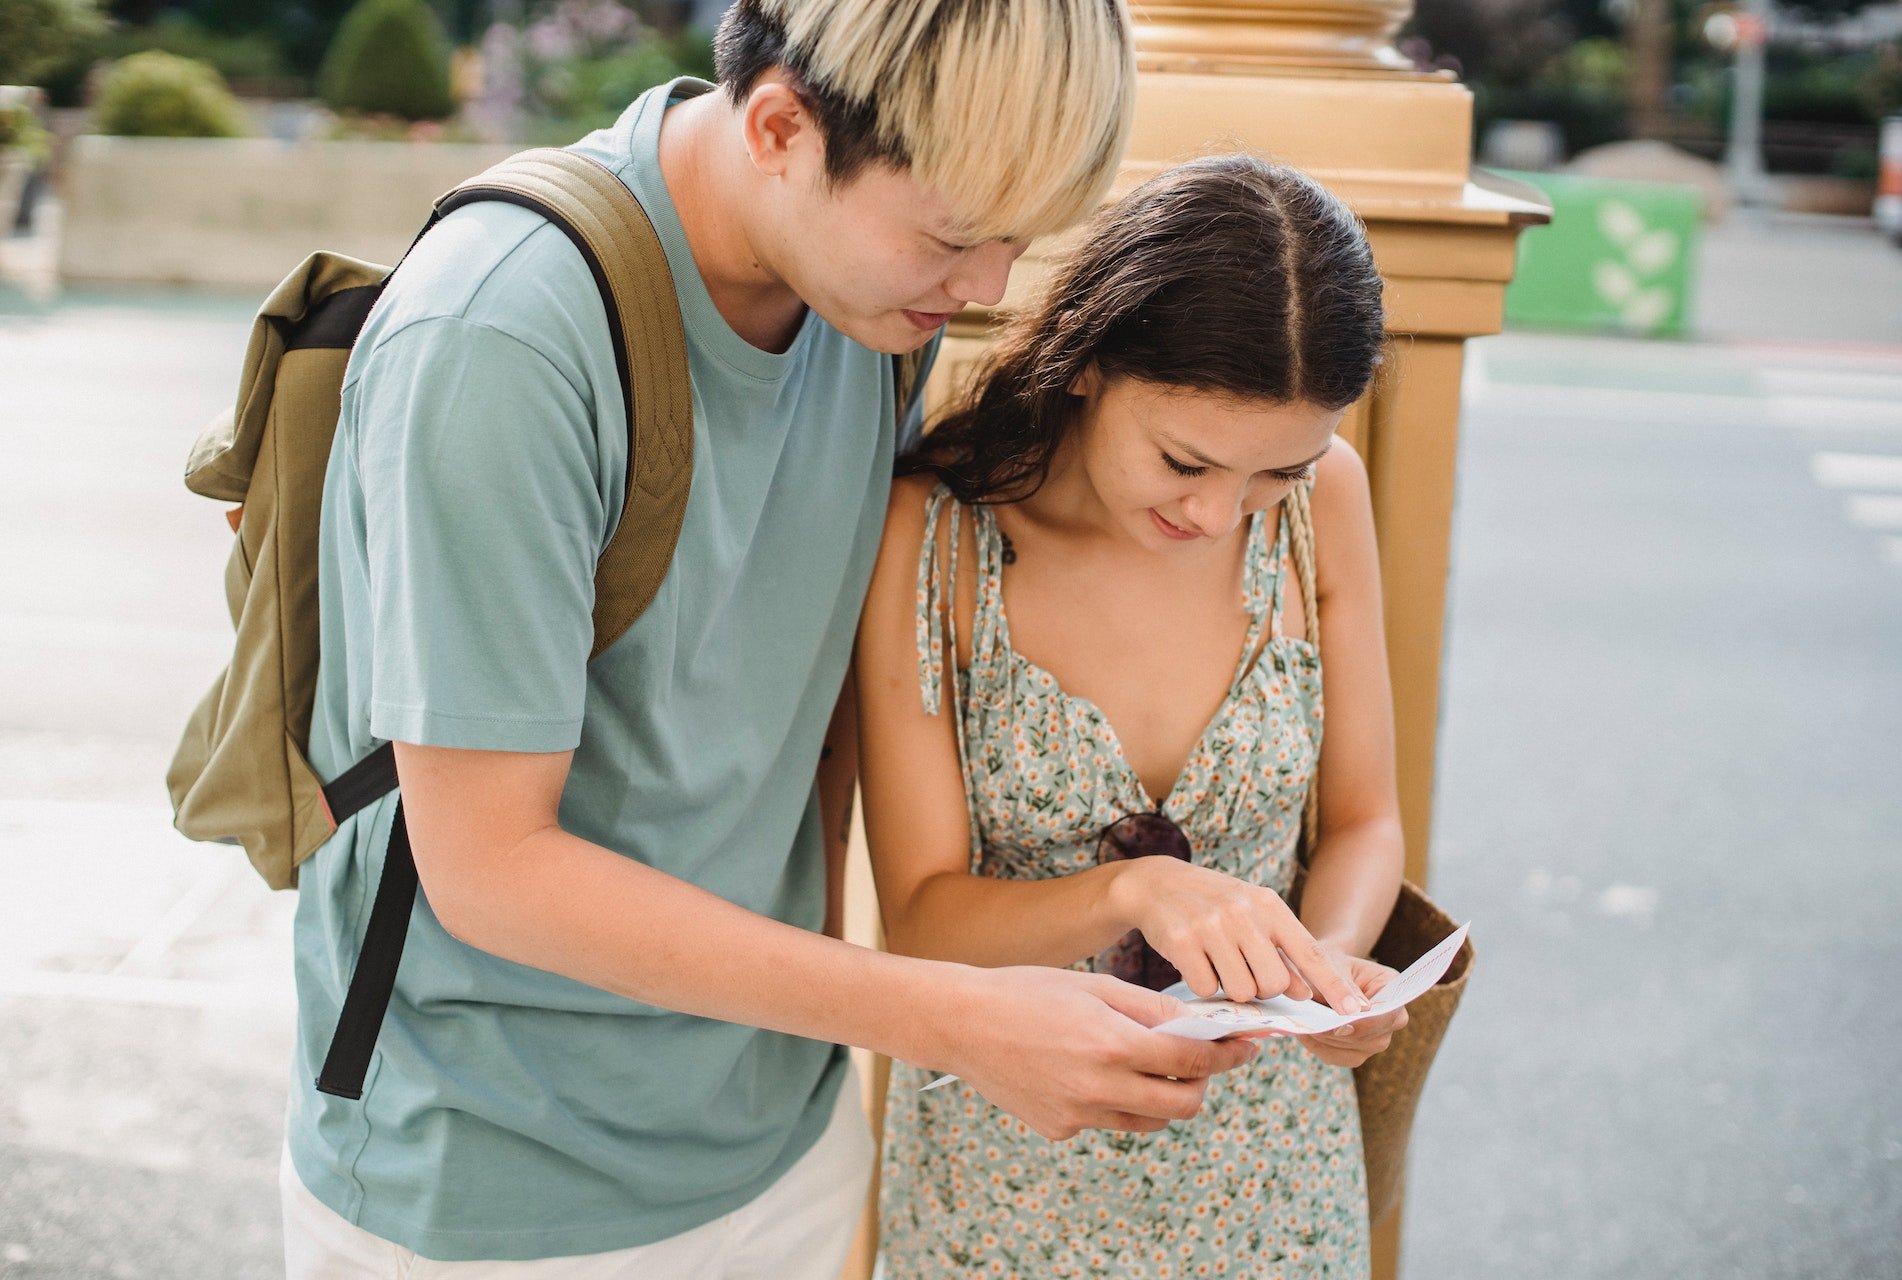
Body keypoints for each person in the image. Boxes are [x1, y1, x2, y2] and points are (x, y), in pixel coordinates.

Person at [278, 4, 1358, 1275]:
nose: (990, 289)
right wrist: (953, 1016)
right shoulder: (502, 335)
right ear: (782, 126)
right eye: (958, 236)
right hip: (494, 1176)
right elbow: (489, 865)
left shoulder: (868, 308)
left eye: (1019, 238)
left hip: (778, 1134)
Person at [856, 154, 1411, 1277]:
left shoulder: (1325, 499)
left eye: (1272, 473)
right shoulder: (935, 532)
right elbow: (919, 919)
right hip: (1005, 1160)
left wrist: (1331, 971)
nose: (1218, 514)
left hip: (1271, 1164)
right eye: (1184, 460)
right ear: (1088, 364)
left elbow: (1363, 820)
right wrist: (1128, 890)